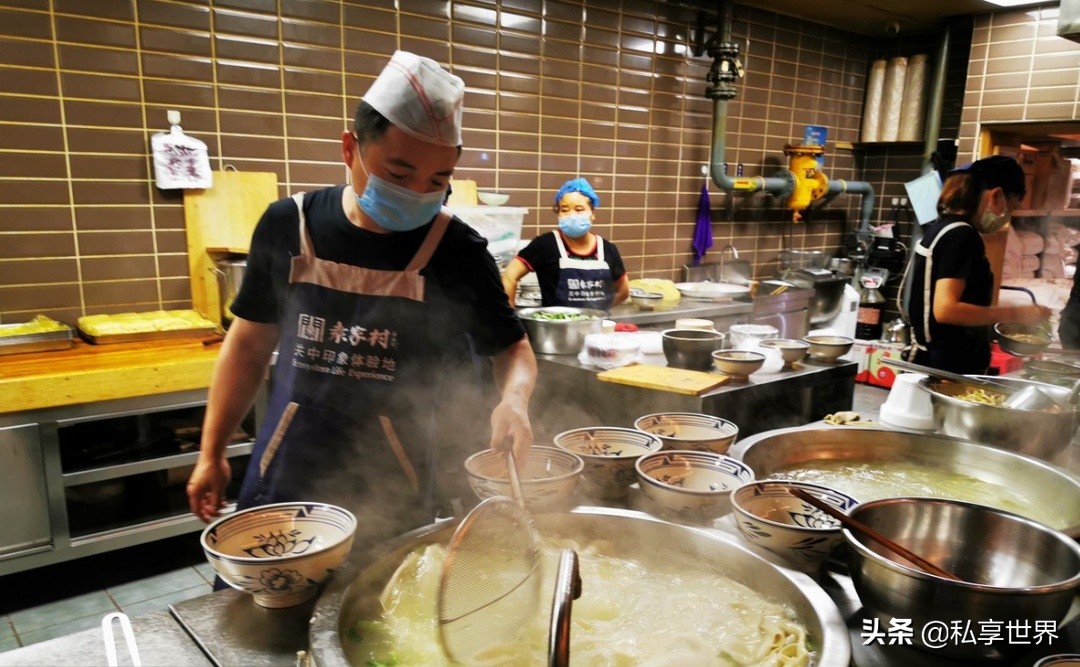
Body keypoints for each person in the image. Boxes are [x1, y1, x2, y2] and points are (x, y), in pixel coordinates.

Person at [186, 51, 537, 539]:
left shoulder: (456, 250)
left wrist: (514, 402)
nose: (418, 191)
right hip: (287, 463)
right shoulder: (290, 225)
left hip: (393, 478)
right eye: (399, 174)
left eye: (437, 181)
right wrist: (211, 452)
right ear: (350, 148)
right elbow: (247, 346)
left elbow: (512, 348)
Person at [907, 155, 1050, 373]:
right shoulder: (962, 235)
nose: (1007, 216)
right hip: (945, 368)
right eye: (1011, 207)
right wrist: (1015, 314)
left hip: (934, 362)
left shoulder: (943, 228)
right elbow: (946, 310)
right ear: (996, 196)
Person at [501, 178, 630, 310]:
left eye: (579, 209)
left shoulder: (608, 250)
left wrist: (599, 311)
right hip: (555, 329)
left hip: (596, 329)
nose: (571, 215)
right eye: (564, 210)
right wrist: (510, 320)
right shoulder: (546, 245)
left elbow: (623, 291)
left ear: (593, 213)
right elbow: (510, 275)